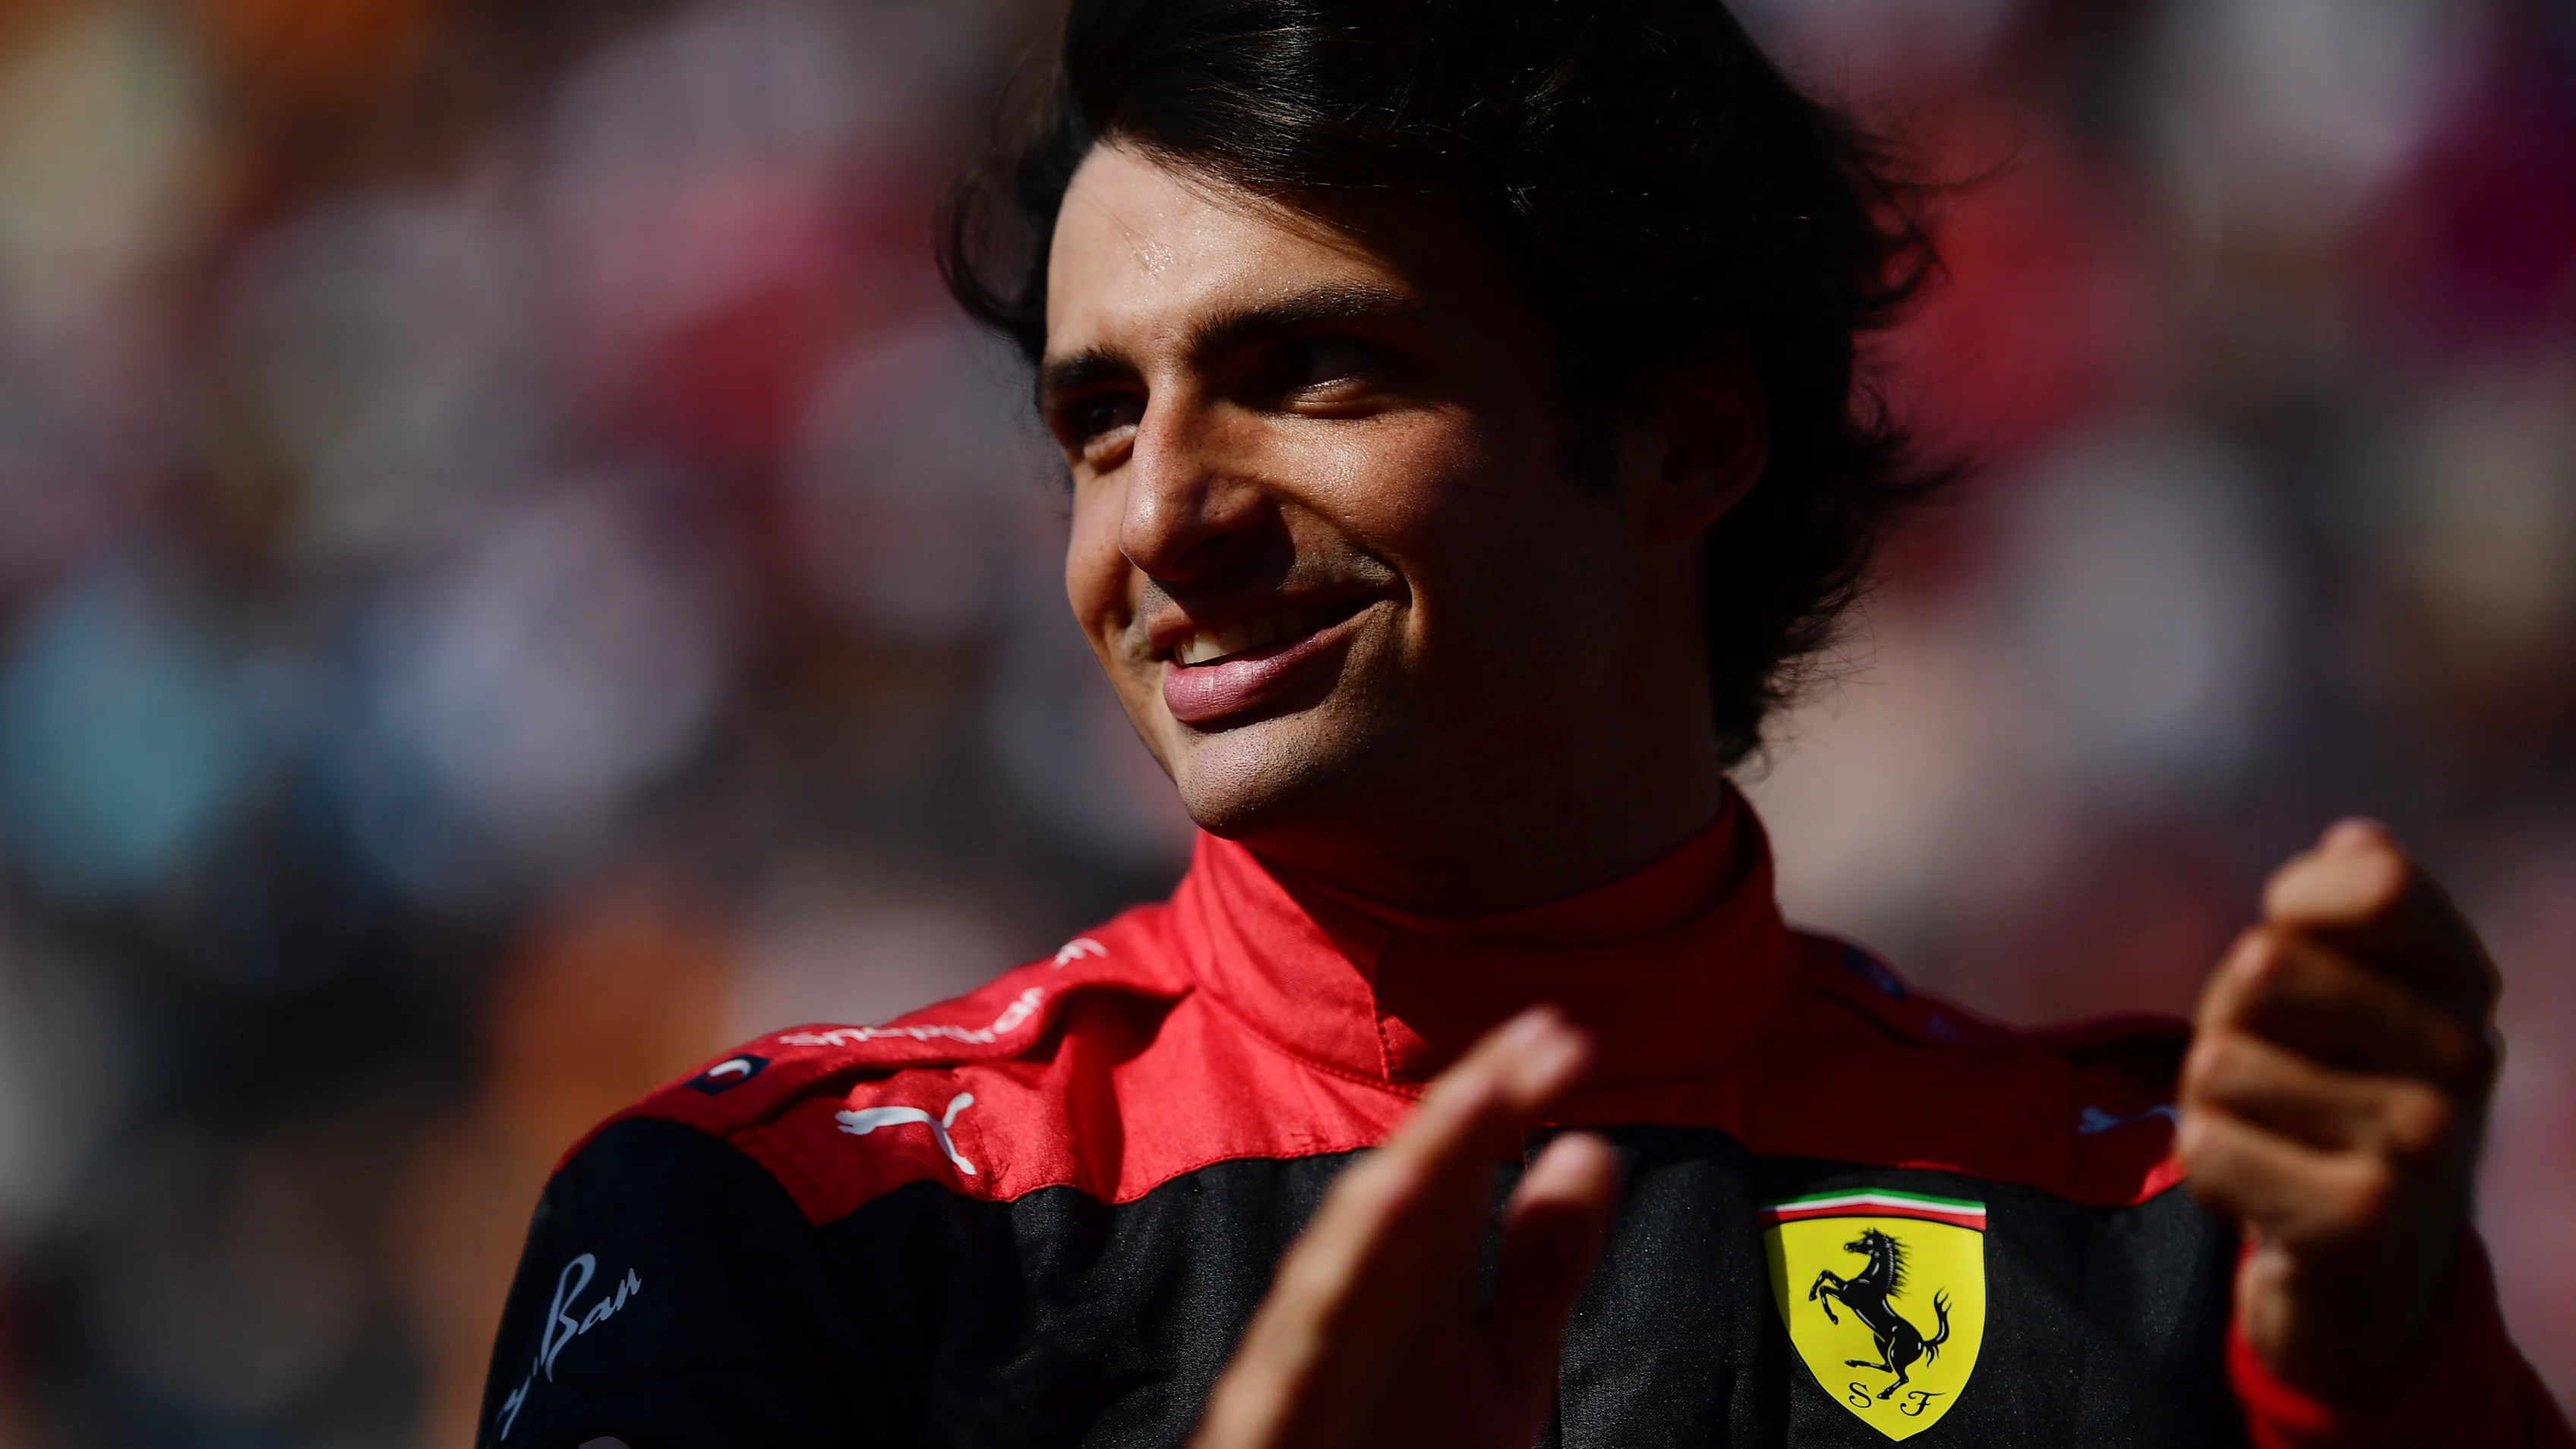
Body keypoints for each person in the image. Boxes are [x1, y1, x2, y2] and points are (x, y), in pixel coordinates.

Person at [477, 2, 2572, 1444]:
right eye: (1097, 419)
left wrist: (2386, 1388)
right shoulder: (787, 1228)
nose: (1164, 520)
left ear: (1687, 436)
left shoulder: (2158, 1243)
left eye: (1310, 372)